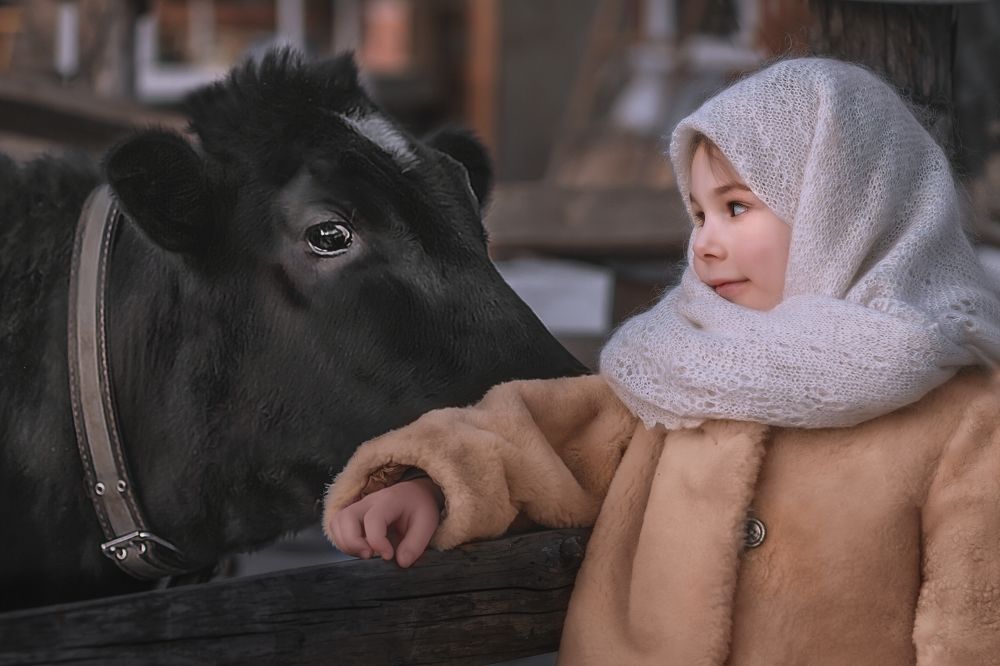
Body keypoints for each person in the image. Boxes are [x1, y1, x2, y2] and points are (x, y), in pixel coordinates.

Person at [323, 58, 1000, 663]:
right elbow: (541, 436)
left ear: (846, 207)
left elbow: (973, 625)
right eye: (699, 214)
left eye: (737, 207)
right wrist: (427, 481)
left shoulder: (963, 419)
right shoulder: (676, 370)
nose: (704, 243)